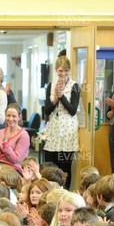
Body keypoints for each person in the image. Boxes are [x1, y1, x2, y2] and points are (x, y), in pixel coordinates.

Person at [43, 56, 80, 189]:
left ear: (69, 71)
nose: (62, 74)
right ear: (56, 71)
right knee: (50, 166)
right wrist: (55, 99)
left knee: (65, 168)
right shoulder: (50, 86)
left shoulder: (74, 86)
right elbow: (47, 111)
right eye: (60, 71)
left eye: (65, 71)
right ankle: (50, 191)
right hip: (54, 129)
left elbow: (73, 110)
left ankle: (65, 193)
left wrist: (61, 96)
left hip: (68, 131)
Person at [0, 103, 30, 174]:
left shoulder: (24, 135)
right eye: (8, 115)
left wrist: (5, 144)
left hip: (14, 168)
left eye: (14, 116)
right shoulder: (0, 132)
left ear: (19, 117)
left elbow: (16, 160)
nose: (10, 119)